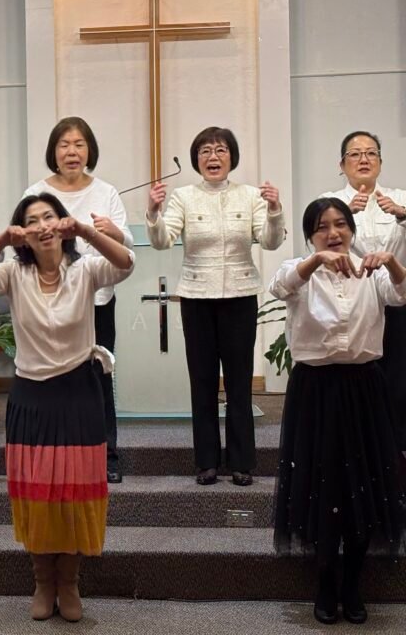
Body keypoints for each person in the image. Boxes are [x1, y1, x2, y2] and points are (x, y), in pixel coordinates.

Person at [0, 193, 134, 622]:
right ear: (23, 232)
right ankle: (42, 581)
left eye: (49, 217)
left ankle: (70, 582)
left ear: (61, 223)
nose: (42, 226)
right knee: (38, 494)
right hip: (32, 397)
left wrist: (86, 230)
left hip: (79, 394)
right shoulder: (13, 273)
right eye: (31, 220)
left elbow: (126, 263)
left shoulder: (85, 269)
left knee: (74, 495)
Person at [270, 197, 406, 625]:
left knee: (365, 485)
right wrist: (316, 261)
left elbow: (401, 294)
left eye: (341, 224)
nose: (334, 233)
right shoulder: (299, 270)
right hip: (316, 391)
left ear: (352, 229)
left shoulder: (371, 271)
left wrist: (393, 263)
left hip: (364, 389)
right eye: (322, 227)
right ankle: (326, 583)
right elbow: (280, 286)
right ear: (311, 235)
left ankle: (353, 583)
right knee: (322, 485)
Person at [146, 126, 284, 486]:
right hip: (196, 298)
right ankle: (206, 461)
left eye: (221, 149)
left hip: (240, 296)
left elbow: (270, 242)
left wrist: (274, 210)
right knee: (203, 381)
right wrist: (153, 213)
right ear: (196, 160)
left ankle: (242, 462)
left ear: (231, 157)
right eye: (205, 150)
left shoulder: (250, 196)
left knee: (239, 382)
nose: (213, 156)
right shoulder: (184, 197)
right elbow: (162, 241)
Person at [24, 116, 132, 483]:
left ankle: (106, 456)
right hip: (50, 301)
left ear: (90, 151)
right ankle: (56, 456)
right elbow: (24, 245)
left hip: (97, 298)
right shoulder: (36, 193)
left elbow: (126, 248)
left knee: (98, 377)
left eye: (79, 144)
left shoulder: (107, 192)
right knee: (53, 379)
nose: (72, 152)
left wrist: (115, 232)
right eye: (64, 145)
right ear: (53, 151)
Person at [321, 131, 406, 453]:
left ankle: (395, 449)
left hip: (397, 298)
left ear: (380, 162)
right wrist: (344, 215)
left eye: (371, 153)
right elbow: (314, 246)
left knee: (397, 378)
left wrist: (402, 214)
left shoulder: (401, 198)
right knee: (356, 378)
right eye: (355, 154)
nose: (364, 159)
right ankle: (356, 447)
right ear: (342, 164)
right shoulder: (329, 202)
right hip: (351, 301)